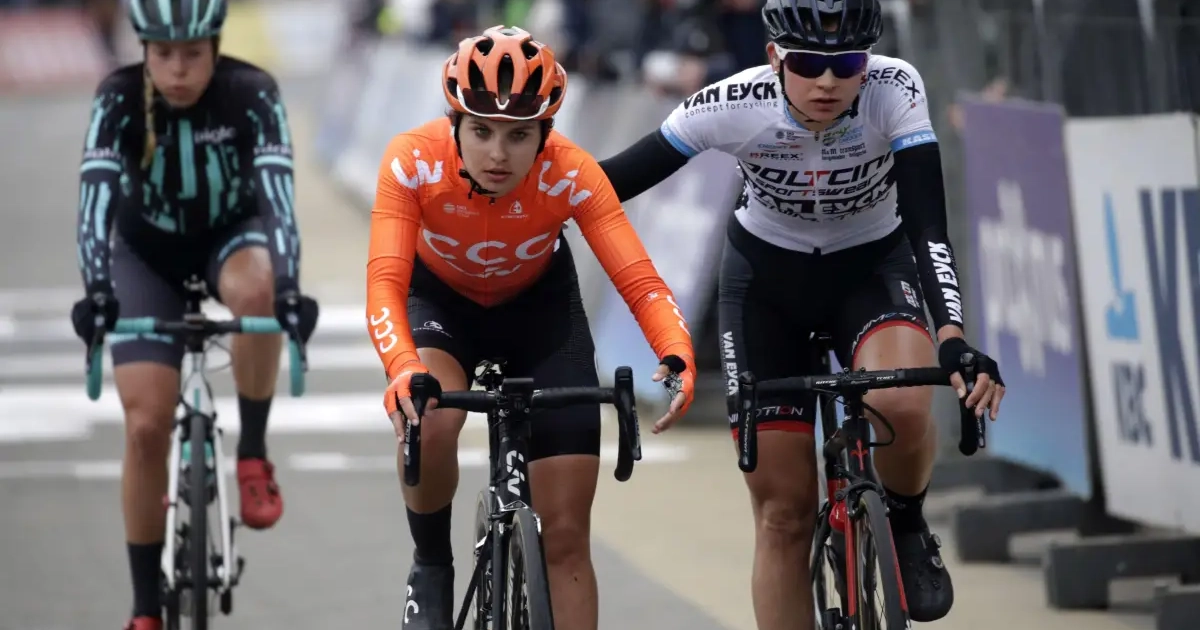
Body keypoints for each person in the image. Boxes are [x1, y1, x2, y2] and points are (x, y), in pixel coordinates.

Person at [597, 1, 1006, 628]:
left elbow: (928, 224)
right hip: (766, 286)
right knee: (783, 515)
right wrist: (525, 203)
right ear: (774, 58)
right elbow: (609, 183)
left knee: (902, 404)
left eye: (847, 64)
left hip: (871, 269)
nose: (828, 81)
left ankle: (905, 520)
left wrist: (952, 334)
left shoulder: (895, 87)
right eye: (809, 64)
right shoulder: (732, 103)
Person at [365, 25, 697, 630]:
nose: (498, 154)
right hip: (441, 307)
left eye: (519, 135)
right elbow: (386, 281)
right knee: (429, 421)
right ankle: (431, 562)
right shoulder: (412, 159)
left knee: (565, 535)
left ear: (545, 133)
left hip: (541, 312)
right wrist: (403, 367)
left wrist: (675, 350)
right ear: (454, 123)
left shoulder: (571, 170)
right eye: (481, 131)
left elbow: (639, 280)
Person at [68, 2, 318, 628]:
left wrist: (290, 290)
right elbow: (94, 201)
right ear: (143, 51)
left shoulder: (251, 92)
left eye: (193, 55)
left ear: (215, 46)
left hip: (230, 240)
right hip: (144, 254)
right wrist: (96, 291)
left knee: (259, 292)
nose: (178, 70)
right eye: (163, 55)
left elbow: (278, 201)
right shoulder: (118, 97)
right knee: (145, 426)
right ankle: (145, 609)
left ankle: (253, 452)